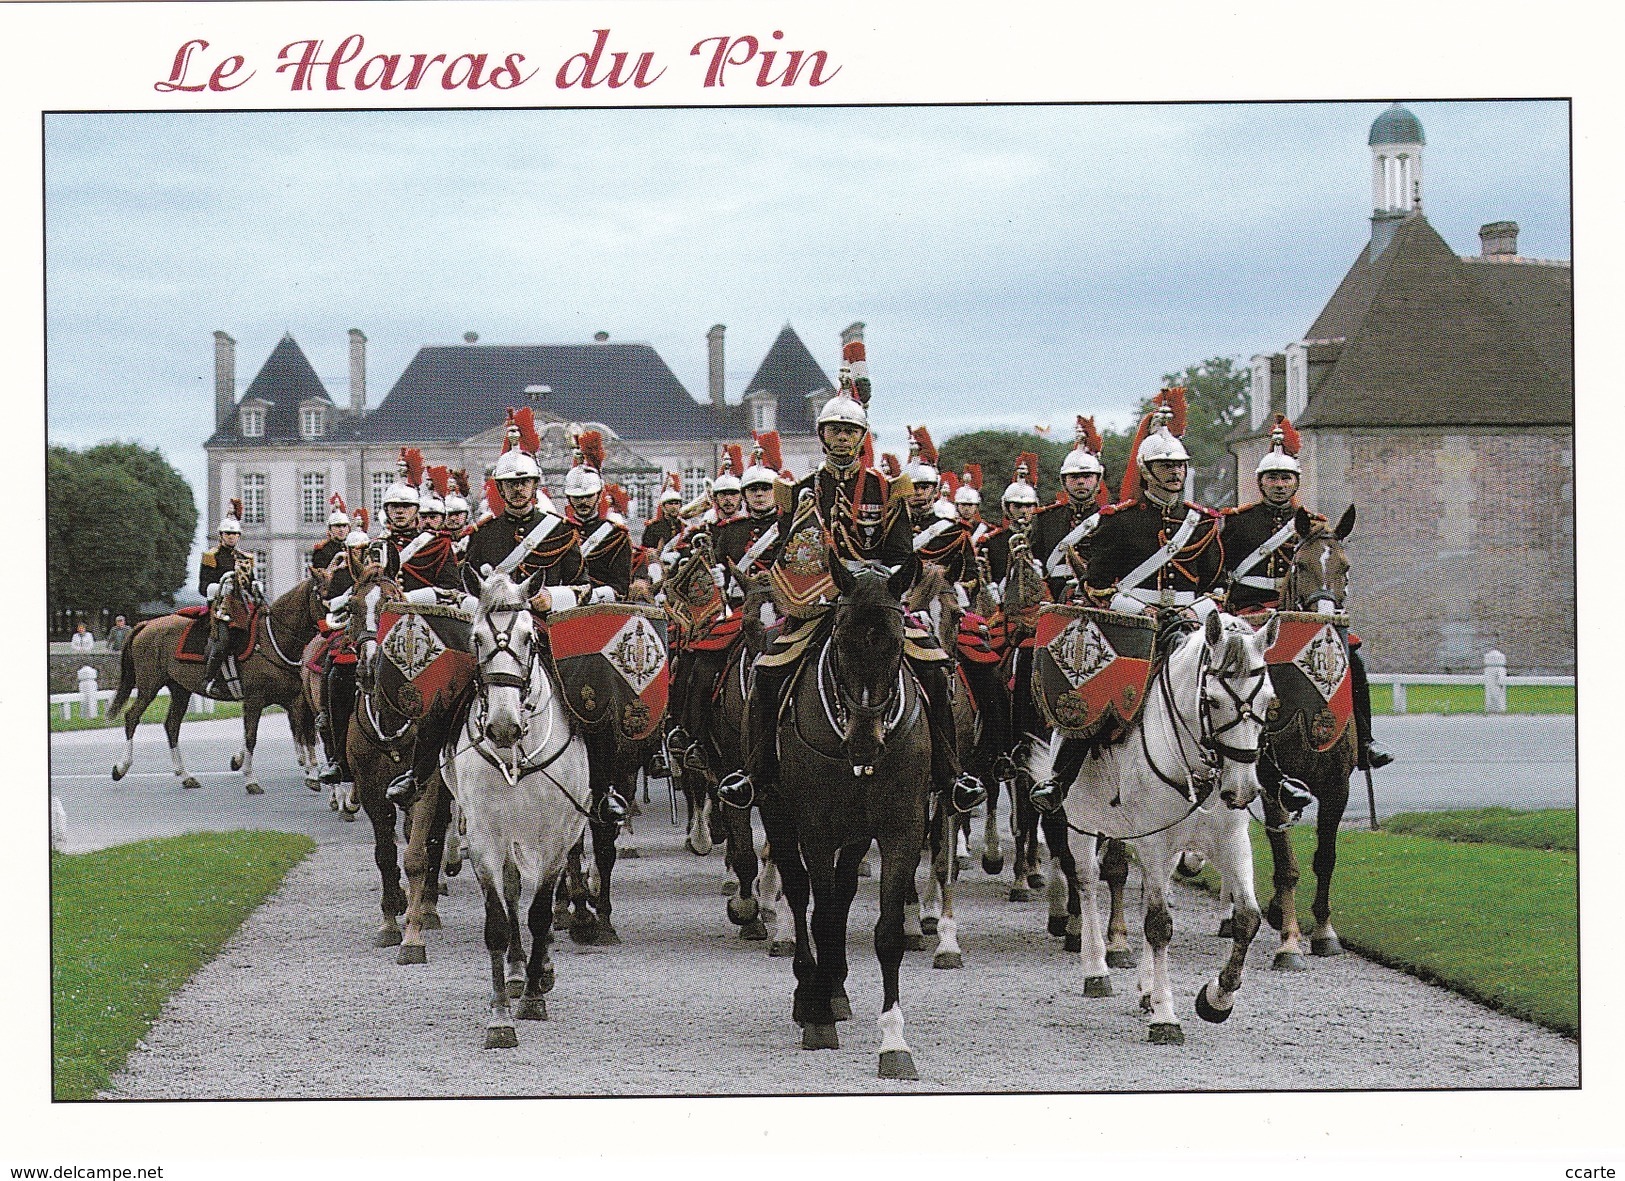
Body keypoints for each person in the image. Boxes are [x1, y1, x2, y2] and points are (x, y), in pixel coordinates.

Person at [716, 358, 985, 816]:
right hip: (819, 605)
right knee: (766, 671)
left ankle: (950, 773)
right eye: (833, 431)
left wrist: (869, 582)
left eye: (849, 431)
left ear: (862, 437)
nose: (841, 439)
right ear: (822, 436)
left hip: (875, 603)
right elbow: (789, 552)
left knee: (936, 673)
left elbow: (902, 554)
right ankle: (755, 772)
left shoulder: (887, 489)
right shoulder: (801, 490)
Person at [1031, 389, 1227, 813]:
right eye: (1165, 466)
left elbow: (1218, 586)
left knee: (1236, 694)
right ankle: (1059, 781)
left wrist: (1193, 611)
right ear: (1147, 470)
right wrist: (1144, 612)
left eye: (1179, 466)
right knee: (1093, 690)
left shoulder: (1203, 524)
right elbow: (1099, 584)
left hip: (1191, 624)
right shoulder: (1119, 522)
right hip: (1133, 626)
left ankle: (1264, 776)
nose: (1174, 473)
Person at [456, 410, 626, 826]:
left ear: (536, 486)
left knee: (593, 702)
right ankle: (425, 773)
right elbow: (466, 590)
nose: (517, 491)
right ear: (500, 488)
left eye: (524, 483)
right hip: (495, 635)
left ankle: (605, 792)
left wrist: (554, 596)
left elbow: (584, 586)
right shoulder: (483, 536)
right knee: (450, 697)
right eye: (510, 484)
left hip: (548, 633)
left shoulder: (559, 532)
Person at [1220, 415, 1393, 771]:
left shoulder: (1315, 525)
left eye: (1286, 478)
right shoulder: (1236, 522)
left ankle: (1364, 740)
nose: (1280, 484)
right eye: (1272, 478)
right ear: (1260, 482)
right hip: (1249, 614)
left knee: (1352, 659)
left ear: (1297, 481)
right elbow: (1221, 572)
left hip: (1302, 615)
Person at [1031, 416, 1109, 602]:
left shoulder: (1109, 519)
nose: (1081, 481)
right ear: (1063, 481)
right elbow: (1036, 562)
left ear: (1098, 481)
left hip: (1097, 600)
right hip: (1052, 599)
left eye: (1087, 476)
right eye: (1074, 477)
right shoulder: (1046, 519)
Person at [199, 499, 251, 694]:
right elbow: (203, 587)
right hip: (220, 608)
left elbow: (250, 581)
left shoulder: (245, 558)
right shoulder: (211, 556)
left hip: (244, 606)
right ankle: (209, 680)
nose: (232, 537)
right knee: (222, 643)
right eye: (228, 533)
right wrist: (218, 588)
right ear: (221, 535)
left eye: (235, 534)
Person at [310, 495, 351, 578]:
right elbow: (320, 577)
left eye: (344, 526)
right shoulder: (322, 550)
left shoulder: (352, 548)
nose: (341, 530)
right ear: (330, 529)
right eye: (337, 526)